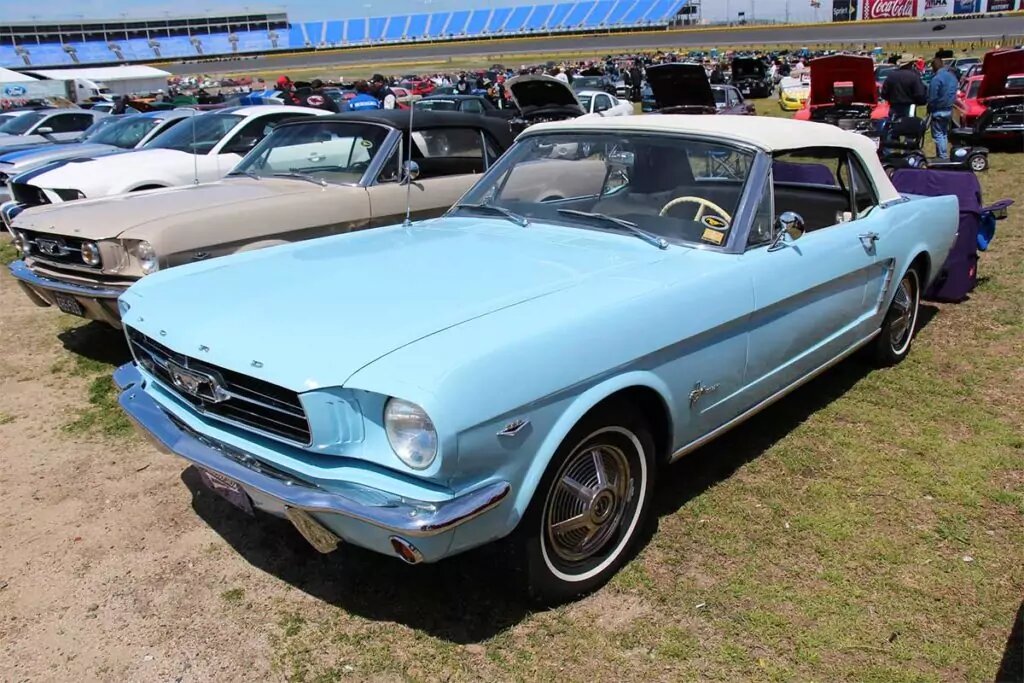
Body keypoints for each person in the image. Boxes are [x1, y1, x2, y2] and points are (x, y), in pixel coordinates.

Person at [927, 58, 959, 160]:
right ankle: (942, 154)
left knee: (938, 134)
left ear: (934, 67)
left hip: (938, 110)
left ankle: (942, 156)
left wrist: (929, 108)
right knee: (944, 133)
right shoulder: (952, 77)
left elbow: (932, 97)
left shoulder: (936, 79)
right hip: (949, 109)